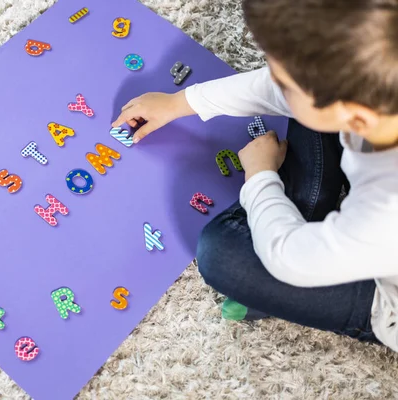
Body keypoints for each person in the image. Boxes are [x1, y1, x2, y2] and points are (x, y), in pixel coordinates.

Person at [111, 0, 398, 351]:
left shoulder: (385, 212)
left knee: (223, 256)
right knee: (306, 110)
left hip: (386, 297)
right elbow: (280, 91)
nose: (273, 78)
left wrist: (260, 176)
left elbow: (288, 257)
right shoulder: (376, 82)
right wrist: (180, 102)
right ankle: (306, 209)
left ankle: (292, 239)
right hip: (370, 193)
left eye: (283, 79)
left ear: (353, 113)